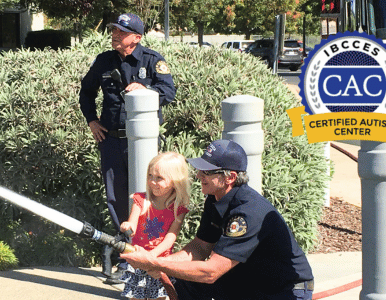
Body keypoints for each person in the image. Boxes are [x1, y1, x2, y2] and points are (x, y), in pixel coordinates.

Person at [121, 140, 314, 300]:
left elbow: (211, 272)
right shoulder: (215, 199)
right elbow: (200, 247)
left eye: (206, 172)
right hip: (248, 280)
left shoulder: (247, 213)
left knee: (193, 276)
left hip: (283, 290)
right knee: (183, 281)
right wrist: (157, 262)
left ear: (229, 177)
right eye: (200, 169)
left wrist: (157, 264)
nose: (198, 175)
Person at [79, 13, 176, 283]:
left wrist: (144, 87)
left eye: (121, 32)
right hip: (110, 141)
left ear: (136, 37)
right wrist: (92, 121)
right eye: (114, 31)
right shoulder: (104, 60)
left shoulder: (151, 60)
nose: (115, 35)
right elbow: (86, 92)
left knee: (147, 197)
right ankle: (127, 257)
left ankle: (152, 256)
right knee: (117, 199)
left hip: (143, 143)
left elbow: (169, 92)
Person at [119, 152, 191, 300]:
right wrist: (128, 226)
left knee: (158, 297)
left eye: (159, 178)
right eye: (150, 176)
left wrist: (152, 257)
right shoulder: (141, 199)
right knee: (135, 296)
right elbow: (132, 222)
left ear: (175, 181)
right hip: (137, 259)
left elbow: (170, 238)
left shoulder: (178, 208)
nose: (152, 182)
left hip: (160, 262)